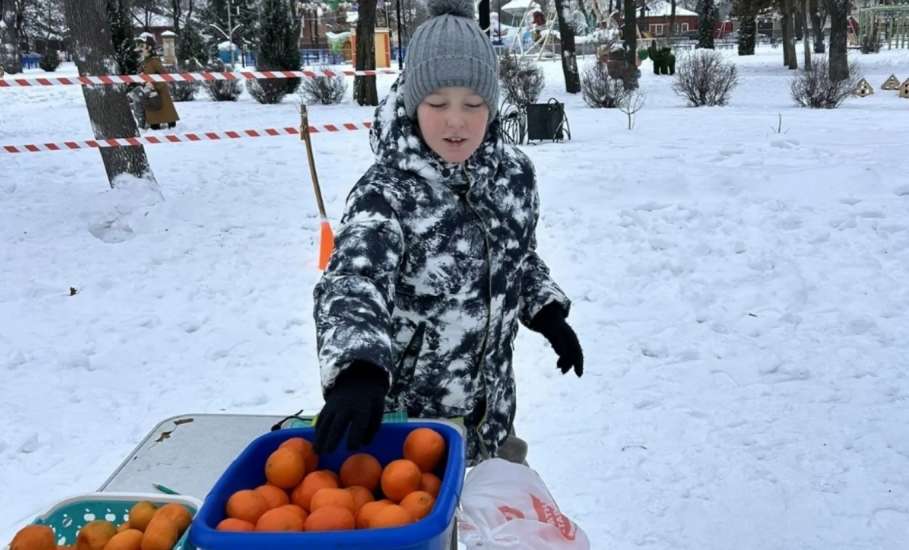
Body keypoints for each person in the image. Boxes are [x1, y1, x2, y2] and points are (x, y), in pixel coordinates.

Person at [312, 0, 583, 466]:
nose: (456, 120)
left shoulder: (513, 176)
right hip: (409, 433)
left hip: (492, 419)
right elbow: (354, 282)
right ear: (412, 103)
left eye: (473, 104)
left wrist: (546, 311)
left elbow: (518, 257)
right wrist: (358, 370)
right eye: (437, 103)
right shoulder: (386, 192)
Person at [132, 35, 179, 130]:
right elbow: (141, 73)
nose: (140, 51)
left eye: (142, 47)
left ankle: (171, 124)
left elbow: (165, 75)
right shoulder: (144, 62)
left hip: (159, 90)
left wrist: (154, 85)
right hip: (149, 91)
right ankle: (155, 124)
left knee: (165, 110)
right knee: (153, 111)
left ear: (149, 48)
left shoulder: (154, 61)